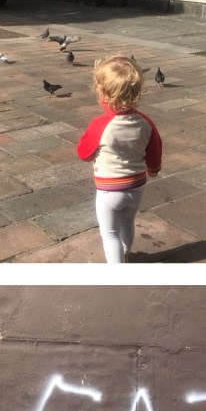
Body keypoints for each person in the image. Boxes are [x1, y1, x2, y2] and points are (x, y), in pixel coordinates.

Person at [77, 55, 162, 263]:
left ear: (102, 93)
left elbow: (83, 153)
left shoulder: (100, 124)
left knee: (109, 233)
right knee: (127, 223)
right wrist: (154, 168)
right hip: (137, 185)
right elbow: (155, 147)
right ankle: (126, 251)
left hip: (110, 189)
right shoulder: (145, 121)